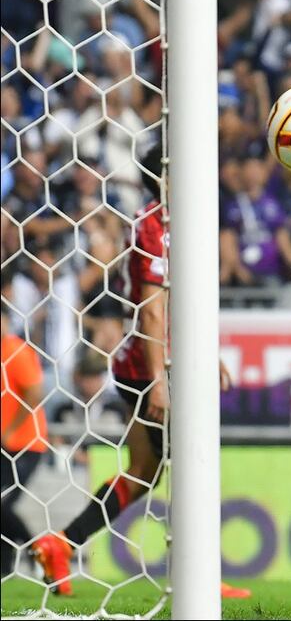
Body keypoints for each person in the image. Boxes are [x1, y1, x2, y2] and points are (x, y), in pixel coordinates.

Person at [30, 147, 248, 600]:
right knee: (193, 458)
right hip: (152, 365)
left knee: (146, 471)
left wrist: (207, 352)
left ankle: (60, 544)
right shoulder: (156, 225)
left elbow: (179, 302)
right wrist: (159, 383)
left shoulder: (177, 220)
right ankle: (200, 576)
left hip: (161, 359)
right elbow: (152, 311)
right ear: (168, 173)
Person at [1, 297, 47, 578]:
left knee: (2, 505)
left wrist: (10, 429)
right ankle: (5, 569)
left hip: (26, 445)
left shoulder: (15, 350)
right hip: (5, 447)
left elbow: (35, 393)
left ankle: (35, 548)